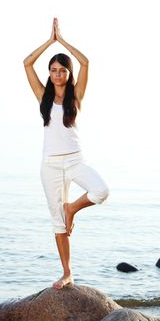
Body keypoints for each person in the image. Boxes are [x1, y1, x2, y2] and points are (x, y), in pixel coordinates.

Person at [23, 18, 109, 290]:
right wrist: (49, 42)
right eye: (53, 70)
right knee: (57, 223)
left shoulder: (76, 96)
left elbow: (85, 63)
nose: (57, 74)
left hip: (74, 161)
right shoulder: (43, 97)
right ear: (49, 73)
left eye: (62, 70)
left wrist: (63, 41)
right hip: (49, 165)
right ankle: (67, 272)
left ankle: (72, 208)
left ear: (68, 74)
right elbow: (26, 63)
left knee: (101, 191)